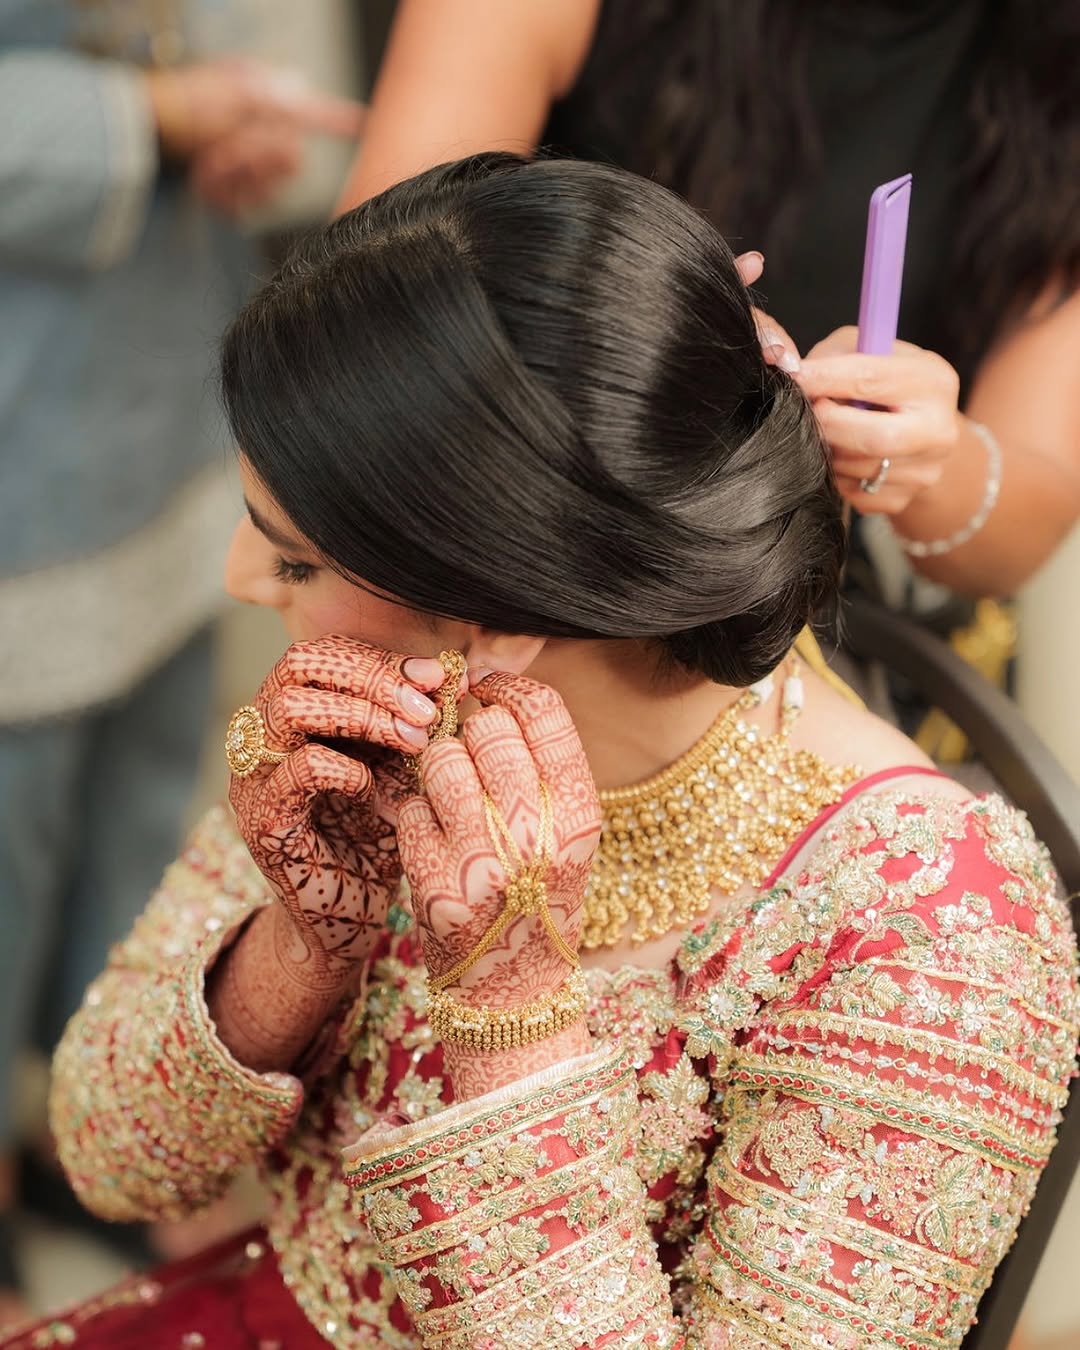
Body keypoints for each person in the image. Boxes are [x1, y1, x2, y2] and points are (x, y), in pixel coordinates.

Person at [5, 155, 1077, 1348]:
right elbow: (108, 1158)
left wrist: (512, 1027)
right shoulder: (378, 732)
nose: (241, 582)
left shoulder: (932, 928)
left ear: (504, 609)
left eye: (297, 559)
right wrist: (298, 949)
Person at [0, 0, 362, 1321]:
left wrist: (249, 122)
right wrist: (149, 120)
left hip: (160, 383)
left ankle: (97, 1148)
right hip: (17, 415)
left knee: (143, 830)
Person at [339, 0, 1080, 604]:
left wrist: (923, 455)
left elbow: (1023, 516)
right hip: (509, 554)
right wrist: (631, 320)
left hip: (807, 627)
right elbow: (359, 298)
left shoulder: (1054, 72)